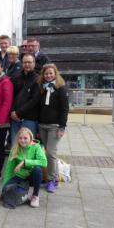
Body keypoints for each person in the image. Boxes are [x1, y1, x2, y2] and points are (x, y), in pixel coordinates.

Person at [37, 63, 68, 193]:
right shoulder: (42, 88)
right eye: (46, 73)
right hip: (42, 125)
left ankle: (53, 180)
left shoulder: (61, 88)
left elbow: (64, 108)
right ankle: (48, 178)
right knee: (46, 153)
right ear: (43, 75)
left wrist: (62, 127)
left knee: (51, 153)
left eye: (51, 73)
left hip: (54, 126)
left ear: (55, 74)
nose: (48, 75)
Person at [2, 127, 47, 208]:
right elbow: (9, 168)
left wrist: (25, 162)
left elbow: (44, 162)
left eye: (25, 138)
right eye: (20, 138)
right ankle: (23, 193)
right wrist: (4, 185)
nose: (22, 140)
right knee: (5, 190)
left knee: (38, 169)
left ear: (30, 138)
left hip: (33, 177)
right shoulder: (15, 148)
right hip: (20, 175)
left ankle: (35, 196)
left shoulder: (36, 147)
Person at [9, 53, 41, 139]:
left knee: (28, 147)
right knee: (15, 147)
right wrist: (12, 111)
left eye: (29, 62)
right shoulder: (16, 78)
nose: (27, 64)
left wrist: (18, 113)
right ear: (22, 63)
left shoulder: (38, 79)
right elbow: (11, 96)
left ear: (34, 63)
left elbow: (34, 100)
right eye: (25, 62)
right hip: (15, 118)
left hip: (29, 119)